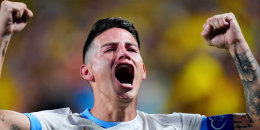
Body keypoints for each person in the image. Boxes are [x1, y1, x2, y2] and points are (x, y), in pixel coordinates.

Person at [0, 1, 259, 130]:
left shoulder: (176, 125)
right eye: (110, 49)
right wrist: (2, 35)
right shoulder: (57, 123)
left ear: (143, 70)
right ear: (86, 71)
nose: (123, 54)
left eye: (131, 49)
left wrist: (238, 45)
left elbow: (255, 122)